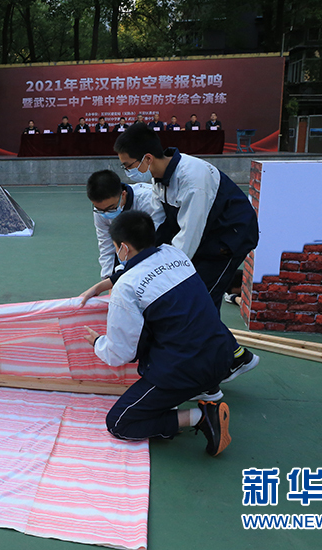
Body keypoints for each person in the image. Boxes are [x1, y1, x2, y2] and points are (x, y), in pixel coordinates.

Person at [112, 122, 259, 385]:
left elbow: (187, 239)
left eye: (129, 165)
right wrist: (135, 263)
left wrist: (158, 275)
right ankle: (224, 356)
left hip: (229, 237)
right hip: (204, 235)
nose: (128, 172)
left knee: (199, 297)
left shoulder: (193, 178)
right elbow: (158, 223)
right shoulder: (160, 176)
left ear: (147, 158)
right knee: (194, 295)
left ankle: (233, 359)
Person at [80, 211, 235, 456]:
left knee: (120, 423)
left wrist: (98, 342)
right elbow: (148, 269)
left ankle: (202, 416)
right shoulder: (174, 253)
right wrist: (105, 283)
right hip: (224, 354)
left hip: (187, 368)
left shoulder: (126, 289)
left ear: (123, 248)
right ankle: (206, 389)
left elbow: (120, 353)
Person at [87, 170, 164, 278]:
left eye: (111, 208)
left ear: (123, 195)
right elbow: (106, 245)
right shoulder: (100, 211)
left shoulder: (148, 201)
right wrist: (108, 278)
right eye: (100, 209)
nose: (105, 214)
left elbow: (156, 241)